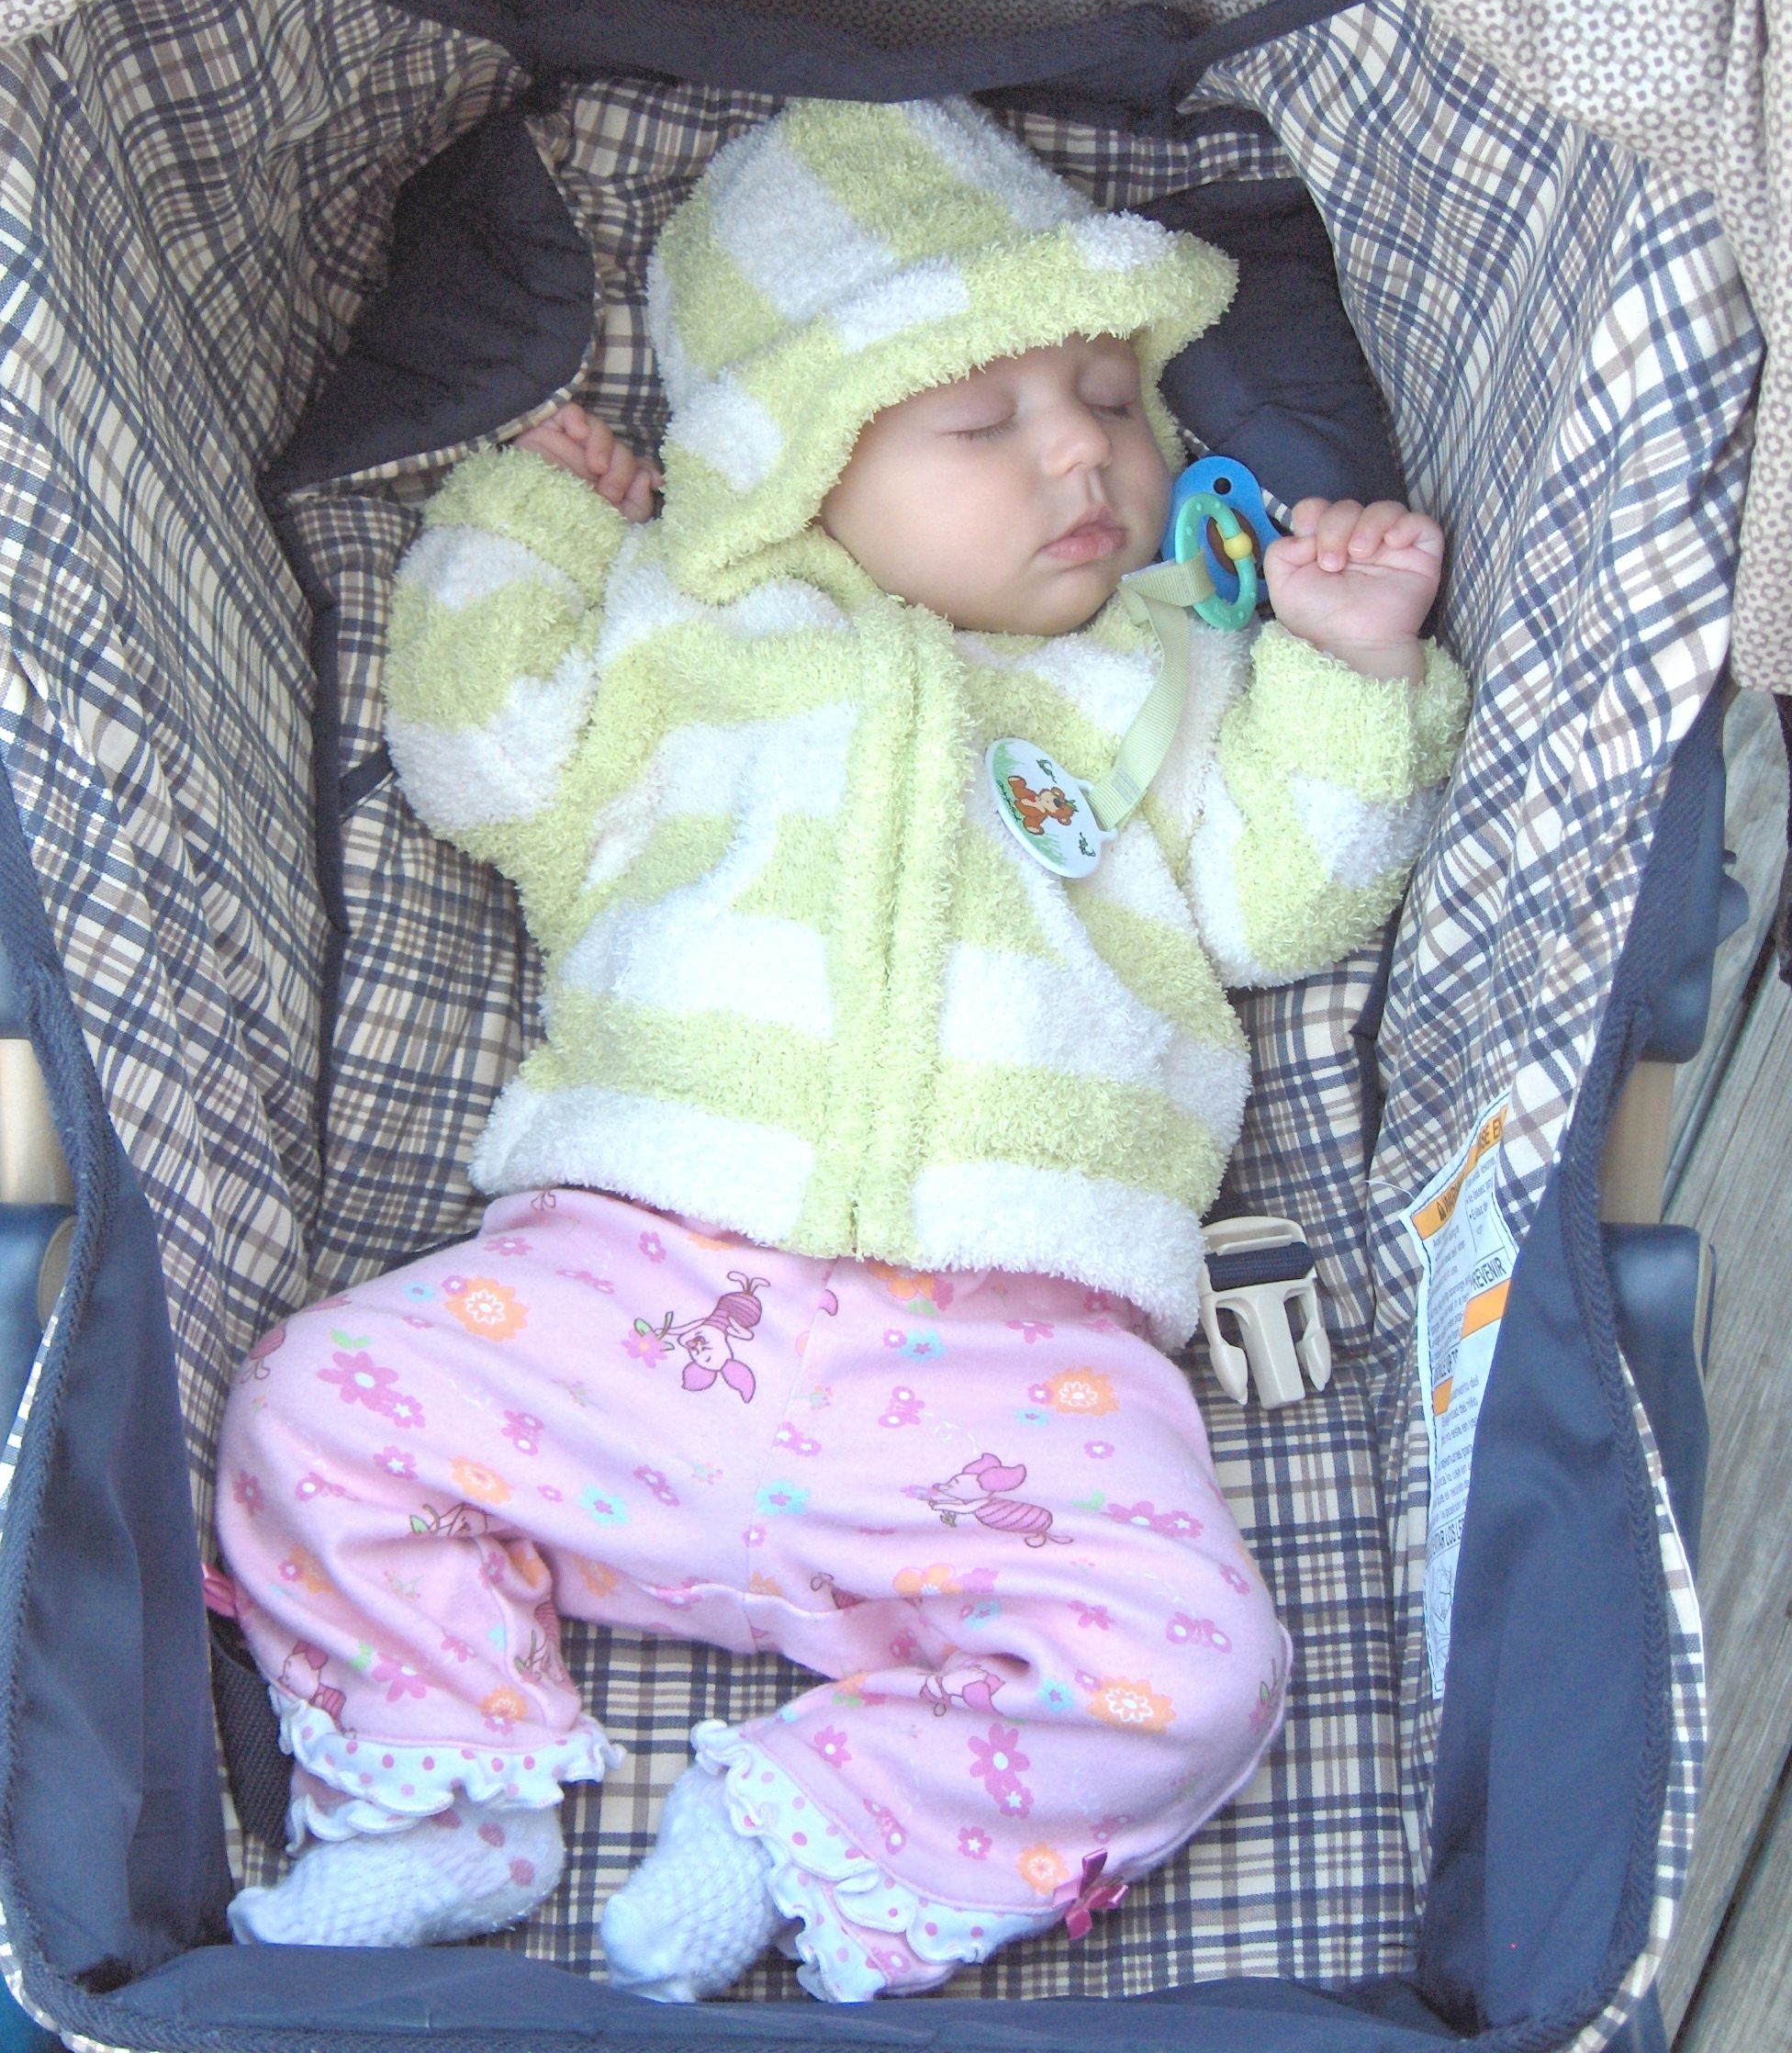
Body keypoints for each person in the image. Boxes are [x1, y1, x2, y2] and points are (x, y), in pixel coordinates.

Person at [217, 99, 1465, 2001]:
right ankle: (437, 1787)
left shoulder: (1160, 675)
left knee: (1200, 1670)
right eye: (982, 423)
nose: (1082, 454)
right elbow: (478, 753)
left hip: (1011, 1361)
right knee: (313, 1403)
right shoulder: (683, 645)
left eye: (1109, 399)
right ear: (793, 463)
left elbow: (1282, 900)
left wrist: (1350, 671)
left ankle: (833, 1809)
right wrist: (529, 527)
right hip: (627, 1292)